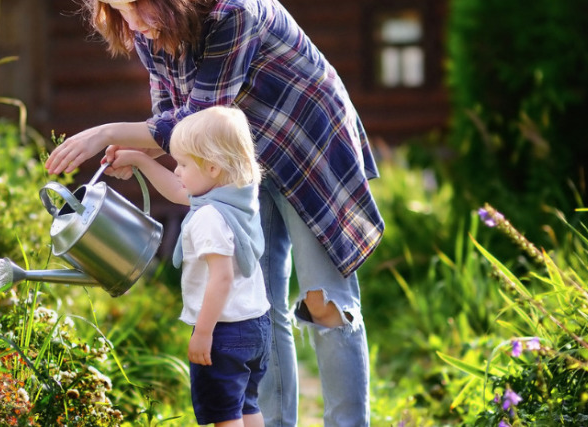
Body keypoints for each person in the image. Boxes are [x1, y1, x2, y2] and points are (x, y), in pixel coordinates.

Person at [44, 0, 385, 425]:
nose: (130, 24)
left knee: (325, 303)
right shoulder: (151, 30)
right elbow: (176, 126)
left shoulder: (232, 12)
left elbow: (201, 114)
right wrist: (140, 156)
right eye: (118, 10)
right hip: (237, 162)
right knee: (257, 302)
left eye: (133, 5)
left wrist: (106, 133)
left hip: (305, 143)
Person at [109, 106, 270, 427]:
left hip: (222, 328)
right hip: (255, 324)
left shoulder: (209, 217)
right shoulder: (238, 196)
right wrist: (140, 160)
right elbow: (180, 190)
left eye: (183, 164)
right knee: (246, 406)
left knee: (225, 416)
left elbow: (221, 279)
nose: (177, 171)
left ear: (212, 168)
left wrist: (203, 333)